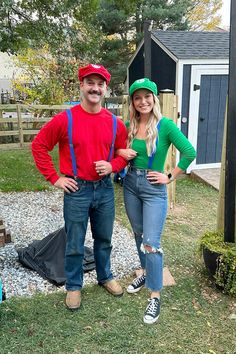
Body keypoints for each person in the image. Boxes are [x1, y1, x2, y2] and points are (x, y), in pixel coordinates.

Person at [32, 63, 128, 310]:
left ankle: (105, 276)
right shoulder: (66, 119)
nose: (95, 88)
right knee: (74, 242)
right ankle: (74, 286)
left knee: (104, 238)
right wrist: (55, 178)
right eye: (90, 83)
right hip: (77, 191)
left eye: (100, 84)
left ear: (106, 88)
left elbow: (122, 154)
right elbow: (39, 145)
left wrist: (113, 165)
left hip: (105, 190)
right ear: (82, 86)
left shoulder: (116, 123)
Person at [117, 78, 196, 324]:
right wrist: (121, 153)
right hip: (130, 185)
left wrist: (169, 176)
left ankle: (154, 296)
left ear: (154, 99)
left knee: (151, 242)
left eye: (147, 96)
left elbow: (190, 152)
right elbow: (114, 149)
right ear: (133, 101)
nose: (143, 102)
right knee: (139, 235)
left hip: (153, 189)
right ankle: (146, 273)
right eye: (137, 98)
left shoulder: (166, 126)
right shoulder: (128, 125)